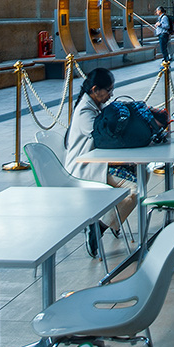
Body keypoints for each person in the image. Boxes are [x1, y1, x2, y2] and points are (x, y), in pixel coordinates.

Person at [65, 67, 138, 253]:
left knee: (139, 173)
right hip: (84, 168)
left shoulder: (96, 106)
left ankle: (114, 220)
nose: (111, 95)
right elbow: (103, 139)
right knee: (135, 190)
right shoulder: (85, 112)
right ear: (96, 89)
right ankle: (100, 227)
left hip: (99, 162)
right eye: (108, 91)